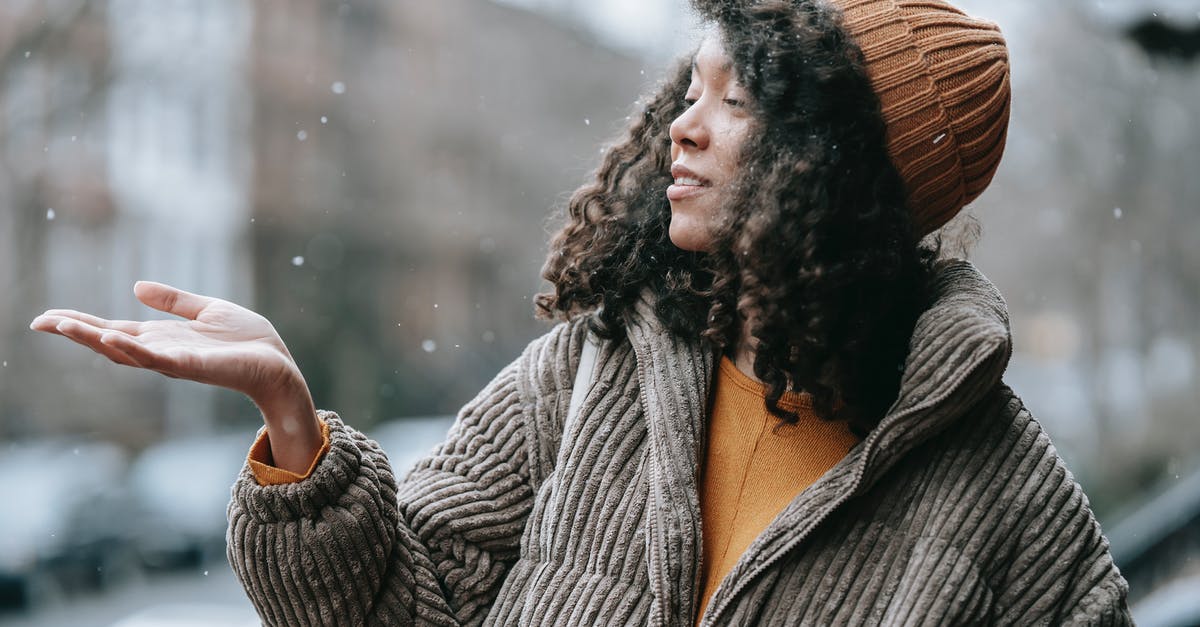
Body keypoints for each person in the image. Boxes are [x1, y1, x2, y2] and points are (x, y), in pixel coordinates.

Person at [31, 0, 1133, 624]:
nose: (682, 130)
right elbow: (395, 611)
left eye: (736, 102)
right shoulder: (591, 371)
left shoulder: (1005, 490)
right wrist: (292, 424)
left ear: (840, 172)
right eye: (689, 91)